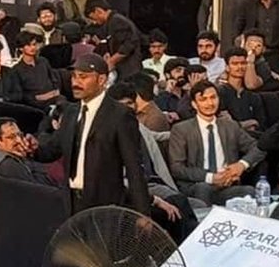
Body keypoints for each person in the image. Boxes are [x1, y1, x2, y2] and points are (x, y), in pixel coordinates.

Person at [52, 53, 149, 213]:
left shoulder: (120, 114)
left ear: (102, 80)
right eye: (74, 77)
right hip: (70, 204)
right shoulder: (70, 112)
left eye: (83, 77)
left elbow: (134, 167)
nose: (75, 83)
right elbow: (52, 148)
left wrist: (143, 212)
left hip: (105, 205)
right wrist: (28, 146)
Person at [165, 80, 262, 204]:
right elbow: (177, 168)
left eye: (213, 98)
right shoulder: (181, 129)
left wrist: (241, 165)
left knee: (249, 191)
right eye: (203, 99)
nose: (210, 103)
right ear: (194, 104)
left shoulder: (230, 126)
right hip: (198, 185)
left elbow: (257, 147)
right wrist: (211, 177)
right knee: (204, 189)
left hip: (227, 184)